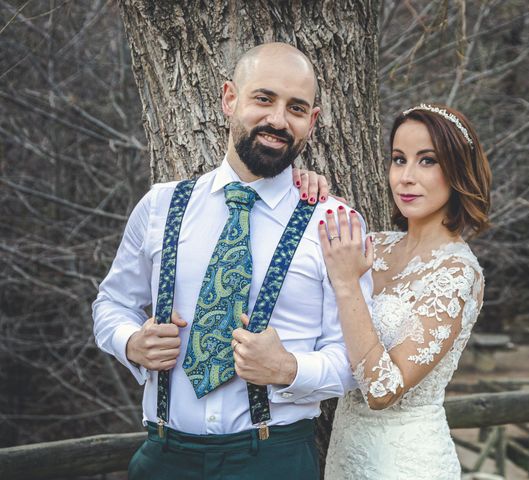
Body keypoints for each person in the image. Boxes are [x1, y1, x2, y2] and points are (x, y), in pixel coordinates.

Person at [92, 42, 372, 480]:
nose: (277, 120)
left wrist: (288, 368)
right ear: (229, 98)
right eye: (263, 98)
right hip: (163, 455)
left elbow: (356, 359)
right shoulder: (160, 206)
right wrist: (131, 342)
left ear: (311, 122)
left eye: (296, 108)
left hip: (274, 460)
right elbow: (110, 303)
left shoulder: (335, 224)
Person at [297, 103, 491, 478]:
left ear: (458, 171)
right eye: (399, 159)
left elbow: (383, 390)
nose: (406, 177)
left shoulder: (457, 273)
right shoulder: (376, 246)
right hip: (344, 454)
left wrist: (348, 284)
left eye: (427, 161)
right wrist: (303, 189)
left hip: (406, 462)